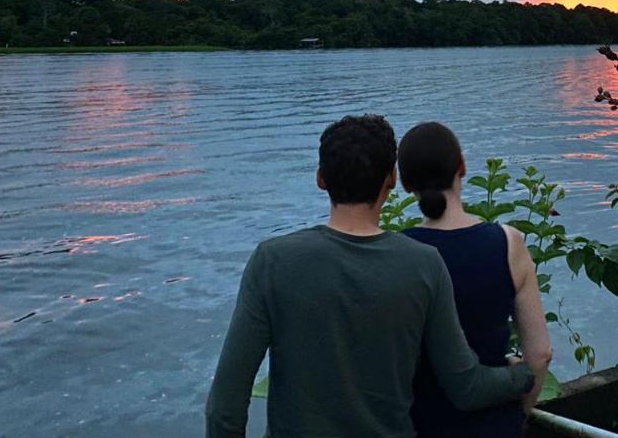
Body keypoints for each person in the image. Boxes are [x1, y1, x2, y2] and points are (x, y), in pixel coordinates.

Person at [205, 114, 533, 438]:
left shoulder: (272, 261)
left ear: (321, 178)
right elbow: (467, 386)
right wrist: (523, 374)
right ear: (391, 179)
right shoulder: (423, 264)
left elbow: (225, 408)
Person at [398, 122, 553, 438]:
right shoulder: (508, 244)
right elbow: (540, 354)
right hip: (494, 423)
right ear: (463, 167)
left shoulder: (397, 252)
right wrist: (517, 414)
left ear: (404, 183)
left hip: (420, 425)